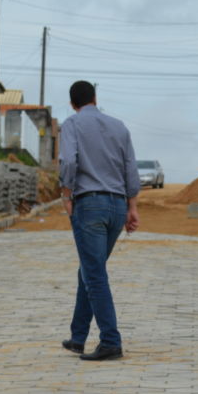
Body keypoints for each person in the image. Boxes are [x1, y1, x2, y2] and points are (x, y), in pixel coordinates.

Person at [58, 80, 140, 361]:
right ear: (95, 97)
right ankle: (78, 337)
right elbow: (131, 167)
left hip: (89, 204)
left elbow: (68, 161)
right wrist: (133, 207)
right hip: (117, 207)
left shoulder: (72, 125)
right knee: (90, 270)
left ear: (72, 104)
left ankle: (110, 341)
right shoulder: (119, 126)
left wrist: (66, 194)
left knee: (94, 274)